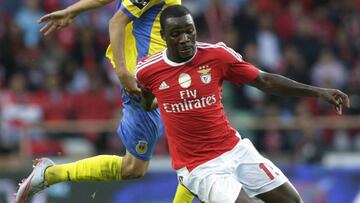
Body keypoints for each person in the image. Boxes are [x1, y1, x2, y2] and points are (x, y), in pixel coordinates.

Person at [135, 5, 350, 203]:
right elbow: (146, 99)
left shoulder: (216, 55)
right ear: (163, 36)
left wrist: (319, 92)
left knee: (293, 201)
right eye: (175, 34)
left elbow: (264, 80)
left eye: (189, 31)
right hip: (199, 167)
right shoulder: (148, 70)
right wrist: (155, 101)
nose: (184, 39)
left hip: (235, 149)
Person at [15, 1, 196, 203]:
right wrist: (123, 74)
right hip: (145, 81)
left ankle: (49, 174)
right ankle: (49, 174)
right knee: (142, 165)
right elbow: (117, 20)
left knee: (142, 165)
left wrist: (72, 10)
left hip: (164, 76)